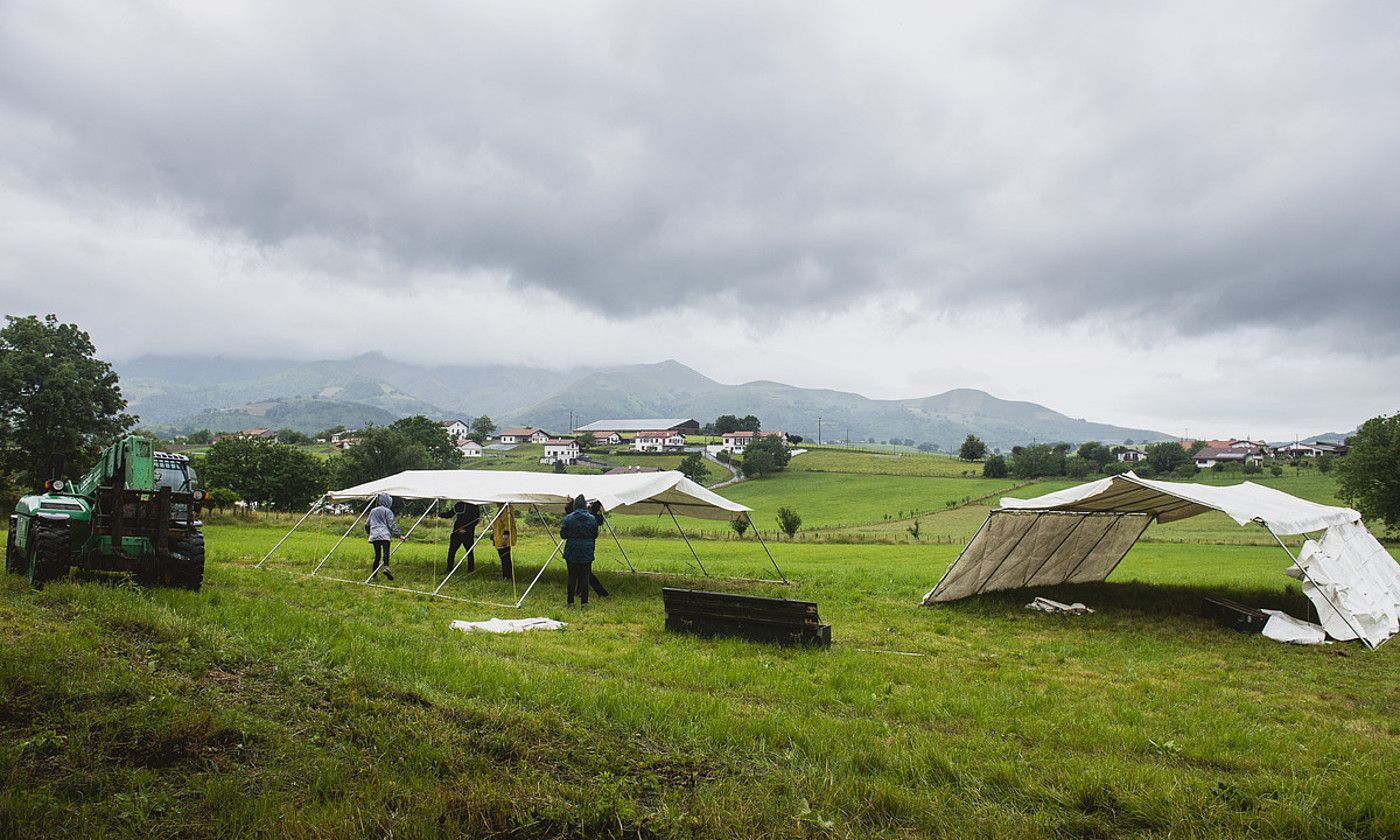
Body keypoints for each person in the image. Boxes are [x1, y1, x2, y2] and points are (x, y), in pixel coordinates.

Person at [560, 493, 598, 606]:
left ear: (575, 506)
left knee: (572, 577)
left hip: (572, 550)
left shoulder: (568, 518)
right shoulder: (592, 519)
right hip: (587, 550)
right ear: (585, 506)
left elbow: (563, 535)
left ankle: (570, 602)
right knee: (585, 577)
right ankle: (584, 602)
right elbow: (595, 535)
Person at [366, 493, 402, 581]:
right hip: (384, 534)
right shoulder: (388, 511)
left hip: (374, 535)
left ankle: (374, 576)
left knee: (377, 556)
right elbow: (391, 524)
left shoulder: (373, 510)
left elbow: (367, 524)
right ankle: (386, 567)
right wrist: (399, 535)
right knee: (386, 552)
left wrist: (369, 533)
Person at [438, 500, 481, 574]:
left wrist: (466, 529)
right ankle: (449, 569)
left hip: (468, 533)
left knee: (469, 552)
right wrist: (439, 514)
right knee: (451, 551)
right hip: (456, 532)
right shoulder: (458, 504)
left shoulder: (474, 506)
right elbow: (450, 514)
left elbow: (476, 520)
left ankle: (470, 570)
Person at [586, 500, 610, 598]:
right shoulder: (596, 518)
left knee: (586, 571)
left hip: (585, 547)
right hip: (590, 546)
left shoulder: (589, 517)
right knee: (584, 570)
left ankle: (602, 592)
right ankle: (579, 591)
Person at [491, 503, 516, 579]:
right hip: (499, 537)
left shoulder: (506, 510)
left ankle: (507, 576)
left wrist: (505, 538)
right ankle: (505, 575)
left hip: (503, 539)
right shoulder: (502, 509)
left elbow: (507, 525)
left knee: (505, 558)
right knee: (503, 557)